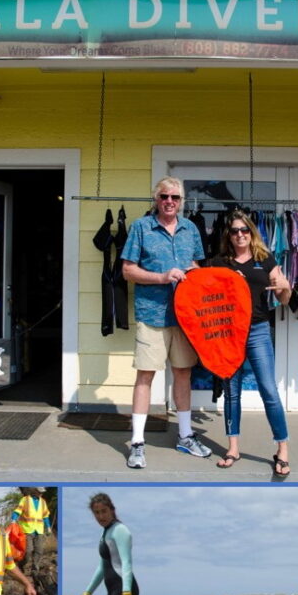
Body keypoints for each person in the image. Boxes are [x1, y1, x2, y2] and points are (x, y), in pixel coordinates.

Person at [121, 176, 210, 469]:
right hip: (152, 313)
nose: (169, 202)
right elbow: (128, 271)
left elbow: (197, 265)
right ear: (155, 199)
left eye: (175, 197)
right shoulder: (141, 227)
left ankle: (185, 436)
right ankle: (137, 443)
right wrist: (162, 277)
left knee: (183, 373)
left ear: (181, 201)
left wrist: (193, 273)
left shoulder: (191, 229)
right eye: (164, 197)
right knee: (145, 376)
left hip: (185, 317)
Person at [209, 211, 291, 475]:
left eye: (244, 230)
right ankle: (233, 448)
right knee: (232, 392)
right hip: (229, 334)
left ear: (252, 232)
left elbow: (285, 298)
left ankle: (282, 450)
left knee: (269, 390)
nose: (240, 234)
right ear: (229, 236)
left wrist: (285, 287)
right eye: (234, 231)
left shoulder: (265, 259)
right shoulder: (221, 262)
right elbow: (200, 286)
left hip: (257, 331)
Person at [12, 487, 52, 574]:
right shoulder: (25, 500)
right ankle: (22, 564)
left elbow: (45, 516)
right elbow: (17, 511)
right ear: (34, 491)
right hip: (27, 530)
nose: (41, 494)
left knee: (39, 550)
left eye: (42, 492)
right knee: (28, 551)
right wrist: (13, 521)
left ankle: (35, 568)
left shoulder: (43, 502)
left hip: (39, 530)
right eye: (39, 492)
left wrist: (48, 527)